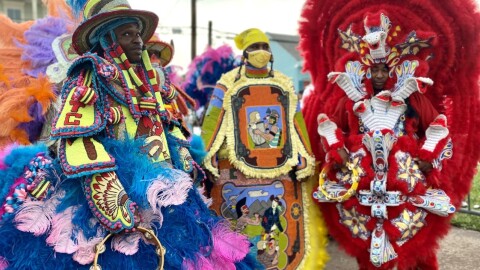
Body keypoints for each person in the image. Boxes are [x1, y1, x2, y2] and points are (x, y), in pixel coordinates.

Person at [0, 1, 259, 269]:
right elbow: (78, 138)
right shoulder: (90, 76)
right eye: (127, 34)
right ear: (107, 39)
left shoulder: (149, 80)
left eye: (138, 34)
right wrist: (113, 201)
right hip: (104, 188)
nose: (138, 41)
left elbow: (167, 127)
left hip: (166, 191)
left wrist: (183, 166)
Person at [304, 9, 460, 270]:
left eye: (383, 70)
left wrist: (427, 157)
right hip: (361, 182)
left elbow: (437, 127)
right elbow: (332, 129)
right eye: (373, 70)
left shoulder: (413, 98)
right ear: (365, 71)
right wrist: (337, 152)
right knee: (368, 250)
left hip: (405, 180)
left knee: (414, 246)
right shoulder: (350, 100)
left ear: (393, 70)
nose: (378, 75)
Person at [201, 28, 328, 269]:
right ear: (244, 53)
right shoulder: (227, 83)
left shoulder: (282, 82)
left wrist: (305, 155)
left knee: (273, 233)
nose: (260, 52)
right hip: (234, 167)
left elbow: (295, 121)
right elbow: (212, 120)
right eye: (254, 47)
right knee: (239, 230)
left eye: (264, 47)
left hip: (279, 168)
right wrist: (208, 154)